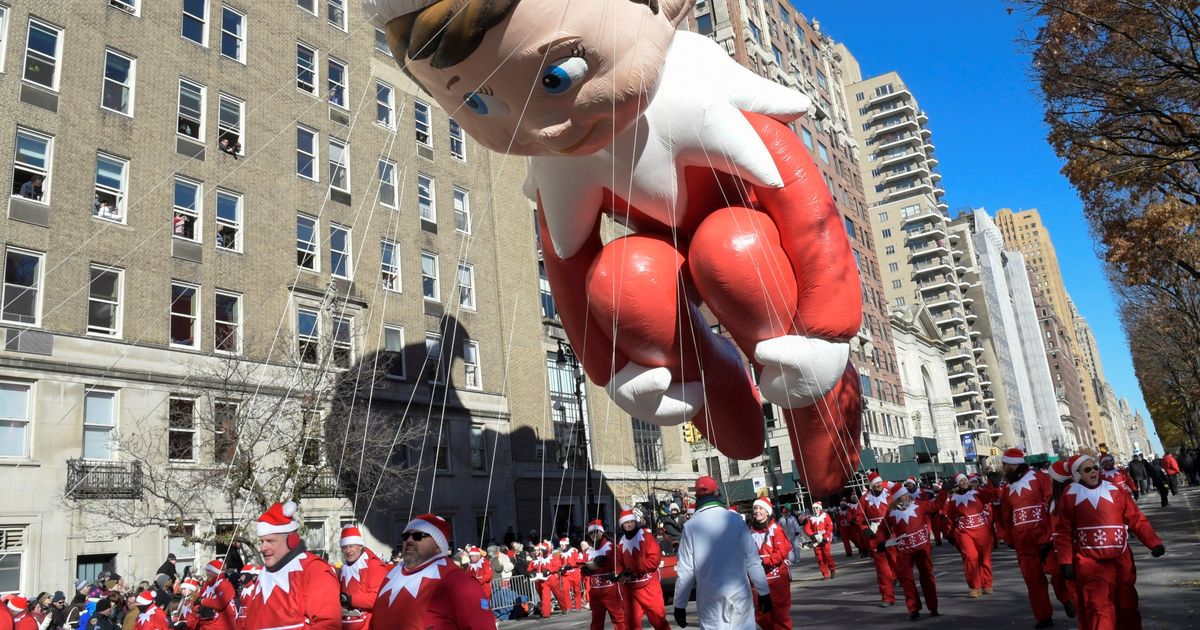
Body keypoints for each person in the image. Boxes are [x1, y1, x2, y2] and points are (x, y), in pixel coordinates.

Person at [1055, 454, 1165, 629]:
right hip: (1090, 563)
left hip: (1120, 560)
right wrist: (1065, 561)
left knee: (1127, 606)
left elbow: (1136, 518)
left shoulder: (1115, 490)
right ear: (1077, 474)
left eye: (1095, 468)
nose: (1093, 472)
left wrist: (1153, 542)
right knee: (1100, 610)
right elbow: (1063, 532)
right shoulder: (1070, 495)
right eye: (1087, 469)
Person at [672, 476, 770, 630]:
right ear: (716, 492)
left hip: (710, 598)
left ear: (697, 497)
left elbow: (685, 571)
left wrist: (679, 605)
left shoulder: (690, 527)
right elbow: (752, 559)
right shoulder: (735, 520)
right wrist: (763, 591)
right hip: (738, 594)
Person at [369, 513, 493, 629]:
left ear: (438, 544)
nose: (409, 540)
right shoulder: (391, 574)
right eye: (406, 536)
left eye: (418, 536)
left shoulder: (459, 583)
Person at [997, 448, 1075, 629]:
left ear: (1013, 464)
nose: (1003, 468)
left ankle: (1066, 598)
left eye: (1005, 465)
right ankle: (1043, 616)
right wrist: (1008, 537)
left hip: (1045, 538)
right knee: (1033, 581)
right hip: (1023, 543)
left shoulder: (1040, 478)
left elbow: (1052, 505)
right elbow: (1006, 516)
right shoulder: (1007, 489)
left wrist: (1051, 534)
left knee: (1057, 573)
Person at [242, 502, 340, 630]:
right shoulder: (264, 574)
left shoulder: (314, 570)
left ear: (291, 540)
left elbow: (328, 625)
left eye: (270, 541)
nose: (263, 548)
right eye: (262, 541)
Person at [874, 487, 940, 622]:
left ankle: (933, 606)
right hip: (904, 550)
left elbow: (936, 505)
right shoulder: (891, 513)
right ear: (897, 498)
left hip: (922, 547)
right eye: (902, 496)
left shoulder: (920, 505)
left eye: (906, 495)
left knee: (927, 576)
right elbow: (882, 529)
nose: (906, 497)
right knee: (907, 580)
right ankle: (913, 609)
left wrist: (944, 491)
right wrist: (880, 541)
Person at [612, 509, 669, 630]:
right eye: (626, 523)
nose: (629, 525)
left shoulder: (646, 537)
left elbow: (654, 560)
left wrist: (634, 568)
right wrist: (619, 574)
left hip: (648, 587)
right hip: (630, 589)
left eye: (632, 522)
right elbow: (619, 563)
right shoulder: (621, 542)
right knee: (631, 623)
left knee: (658, 619)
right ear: (621, 525)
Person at [941, 472, 996, 597]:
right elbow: (949, 519)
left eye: (966, 480)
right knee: (971, 557)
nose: (965, 482)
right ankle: (974, 587)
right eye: (961, 481)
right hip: (964, 532)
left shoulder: (978, 493)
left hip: (982, 529)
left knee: (985, 557)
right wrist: (949, 534)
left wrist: (993, 484)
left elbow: (992, 496)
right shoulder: (953, 500)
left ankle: (986, 583)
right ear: (957, 484)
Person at [749, 497, 792, 630]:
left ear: (767, 512)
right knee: (761, 614)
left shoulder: (776, 530)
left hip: (776, 578)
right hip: (757, 580)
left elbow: (782, 551)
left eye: (761, 508)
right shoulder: (749, 532)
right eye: (755, 508)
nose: (757, 511)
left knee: (780, 614)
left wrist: (764, 561)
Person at [857, 472, 899, 607]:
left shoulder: (890, 494)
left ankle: (900, 581)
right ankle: (887, 597)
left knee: (897, 562)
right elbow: (859, 517)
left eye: (880, 482)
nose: (879, 485)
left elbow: (899, 508)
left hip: (892, 533)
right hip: (875, 537)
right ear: (871, 486)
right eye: (875, 483)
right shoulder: (864, 499)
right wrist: (865, 529)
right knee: (882, 569)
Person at [337, 526, 388, 630]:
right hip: (349, 623)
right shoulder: (343, 569)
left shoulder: (374, 565)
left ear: (360, 546)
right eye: (345, 547)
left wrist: (350, 600)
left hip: (370, 624)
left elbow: (379, 598)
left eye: (351, 546)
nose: (348, 551)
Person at [581, 520, 624, 629]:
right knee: (596, 620)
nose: (593, 535)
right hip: (595, 591)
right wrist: (585, 570)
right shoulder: (588, 551)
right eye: (591, 533)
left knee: (618, 618)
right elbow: (583, 566)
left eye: (596, 532)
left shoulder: (611, 546)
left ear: (601, 532)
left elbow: (618, 565)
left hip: (610, 589)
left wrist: (605, 562)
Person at [528, 543, 565, 619]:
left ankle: (564, 607)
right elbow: (534, 568)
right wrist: (534, 572)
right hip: (544, 580)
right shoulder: (540, 560)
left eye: (542, 549)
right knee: (545, 597)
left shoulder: (553, 557)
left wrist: (549, 570)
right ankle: (546, 613)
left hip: (553, 578)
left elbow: (558, 567)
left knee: (558, 594)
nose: (540, 551)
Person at [802, 501, 834, 581]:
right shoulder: (811, 518)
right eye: (814, 508)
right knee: (819, 557)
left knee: (827, 555)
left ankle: (832, 569)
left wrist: (825, 537)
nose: (815, 509)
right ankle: (825, 574)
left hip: (824, 539)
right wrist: (811, 535)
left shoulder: (825, 516)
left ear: (820, 508)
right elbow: (807, 528)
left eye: (816, 508)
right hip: (816, 540)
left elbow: (829, 527)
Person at [558, 537, 584, 611]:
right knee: (565, 590)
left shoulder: (573, 551)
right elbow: (560, 563)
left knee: (576, 590)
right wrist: (560, 568)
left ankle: (578, 606)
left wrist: (570, 565)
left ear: (566, 545)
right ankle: (568, 606)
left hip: (574, 572)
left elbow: (578, 561)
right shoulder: (561, 554)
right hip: (565, 574)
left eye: (562, 545)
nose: (561, 547)